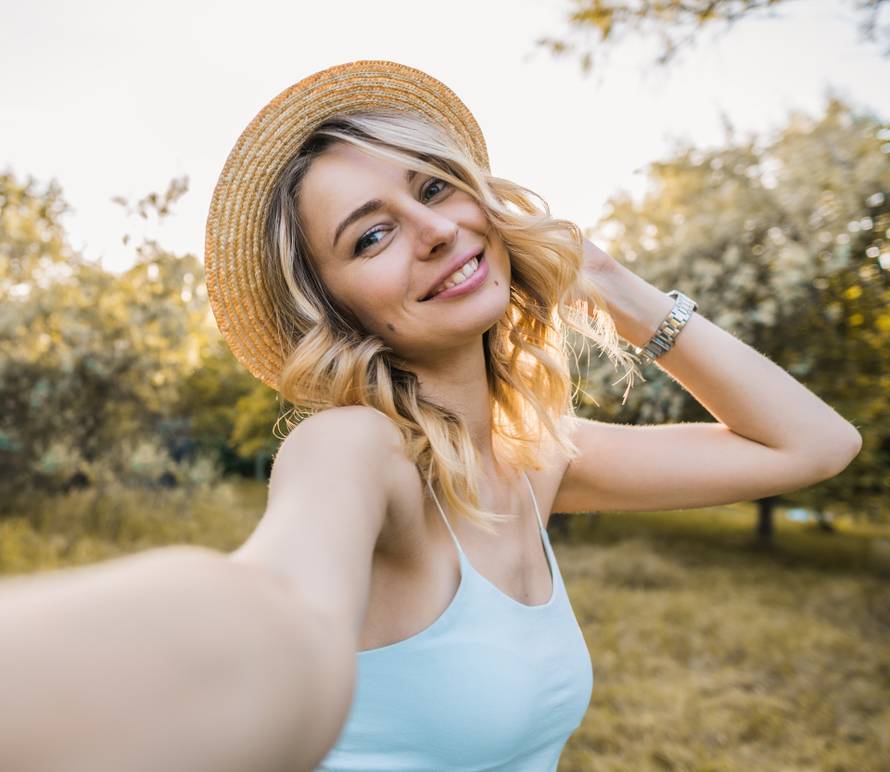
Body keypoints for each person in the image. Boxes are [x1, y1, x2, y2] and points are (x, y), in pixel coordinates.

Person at [0, 60, 862, 772]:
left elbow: (815, 444)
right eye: (369, 237)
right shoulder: (355, 448)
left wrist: (604, 280)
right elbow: (276, 607)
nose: (435, 230)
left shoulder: (537, 456)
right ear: (336, 309)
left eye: (435, 188)